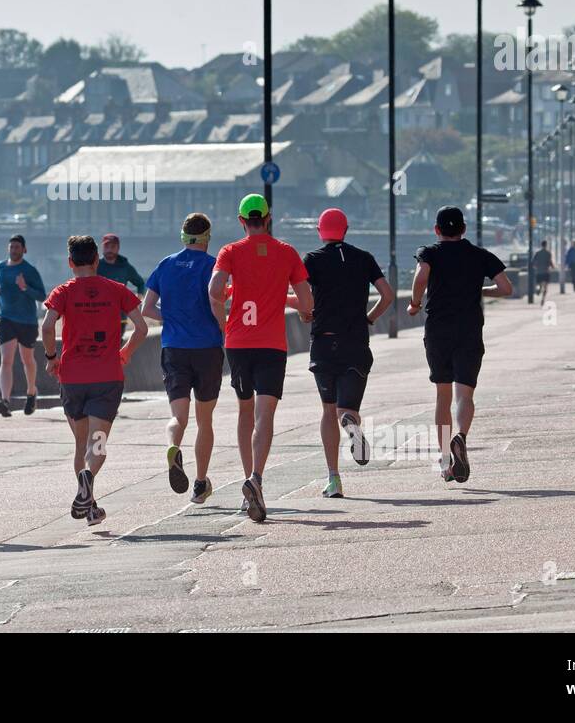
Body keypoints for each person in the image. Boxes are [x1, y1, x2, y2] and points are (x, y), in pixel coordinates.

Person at [208, 193, 313, 523]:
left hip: (239, 343)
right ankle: (257, 477)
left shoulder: (230, 252)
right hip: (271, 344)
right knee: (265, 412)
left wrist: (224, 321)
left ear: (242, 221)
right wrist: (303, 309)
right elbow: (308, 299)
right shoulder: (286, 252)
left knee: (244, 410)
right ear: (268, 218)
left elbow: (214, 291)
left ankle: (246, 483)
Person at [41, 235, 148, 527]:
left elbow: (47, 325)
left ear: (70, 262)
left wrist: (52, 357)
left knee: (80, 446)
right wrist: (125, 352)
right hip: (107, 376)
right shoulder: (115, 290)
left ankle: (90, 506)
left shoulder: (62, 291)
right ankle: (89, 480)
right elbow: (141, 328)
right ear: (97, 260)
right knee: (97, 443)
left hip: (73, 377)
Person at [407, 206, 513, 484]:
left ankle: (444, 459)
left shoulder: (429, 252)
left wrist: (415, 304)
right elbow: (506, 288)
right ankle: (461, 436)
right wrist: (479, 289)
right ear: (464, 229)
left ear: (437, 230)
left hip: (439, 331)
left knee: (442, 396)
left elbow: (420, 277)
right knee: (464, 395)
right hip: (469, 331)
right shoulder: (480, 255)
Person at [301, 208, 394, 500]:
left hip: (325, 343)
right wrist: (370, 318)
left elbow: (305, 299)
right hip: (356, 342)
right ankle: (351, 424)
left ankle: (334, 479)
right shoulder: (364, 258)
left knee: (328, 410)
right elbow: (388, 295)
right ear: (346, 229)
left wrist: (307, 312)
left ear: (320, 231)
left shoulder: (313, 260)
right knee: (347, 409)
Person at [140, 212, 224, 504]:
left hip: (174, 347)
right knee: (205, 420)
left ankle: (174, 446)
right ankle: (200, 484)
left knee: (178, 417)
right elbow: (217, 304)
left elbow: (146, 309)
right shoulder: (214, 266)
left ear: (182, 235)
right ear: (207, 237)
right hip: (207, 348)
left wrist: (171, 318)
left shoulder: (166, 264)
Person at [0, 234, 47, 417]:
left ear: (24, 249)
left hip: (27, 321)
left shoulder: (29, 270)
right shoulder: (1, 266)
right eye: (11, 247)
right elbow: (1, 286)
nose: (14, 250)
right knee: (6, 359)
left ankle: (31, 393)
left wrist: (24, 287)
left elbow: (42, 296)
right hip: (6, 318)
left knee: (26, 359)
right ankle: (5, 400)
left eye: (17, 247)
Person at [532, 240, 554, 305]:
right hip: (546, 272)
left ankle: (538, 289)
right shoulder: (548, 253)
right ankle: (543, 299)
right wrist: (552, 267)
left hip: (539, 272)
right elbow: (550, 262)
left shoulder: (537, 253)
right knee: (545, 287)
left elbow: (533, 262)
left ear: (541, 245)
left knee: (538, 284)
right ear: (546, 245)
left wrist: (536, 267)